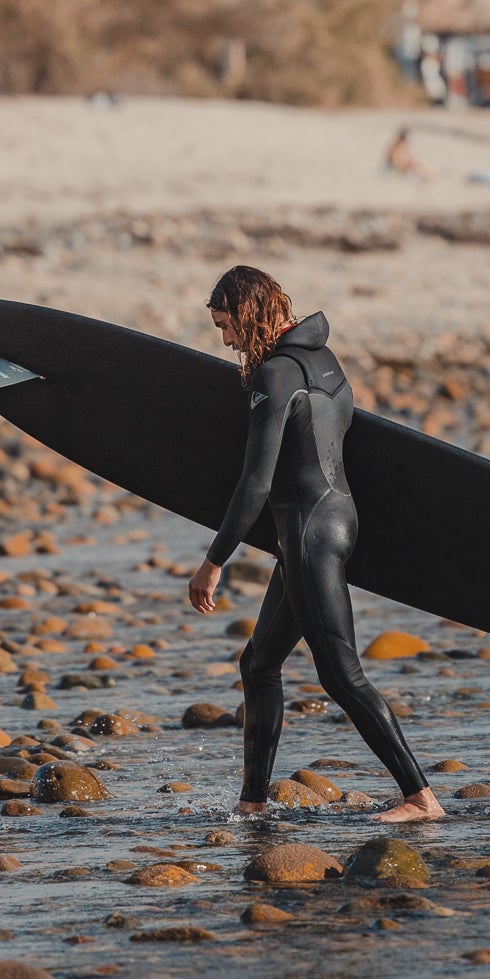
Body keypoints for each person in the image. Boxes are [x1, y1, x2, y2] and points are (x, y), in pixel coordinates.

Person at [186, 266, 445, 824]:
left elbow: (255, 482)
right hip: (333, 521)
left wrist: (213, 562)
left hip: (307, 535)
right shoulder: (325, 361)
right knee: (258, 663)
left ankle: (421, 798)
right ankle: (252, 803)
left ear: (249, 313)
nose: (226, 341)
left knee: (341, 674)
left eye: (227, 326)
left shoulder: (274, 376)